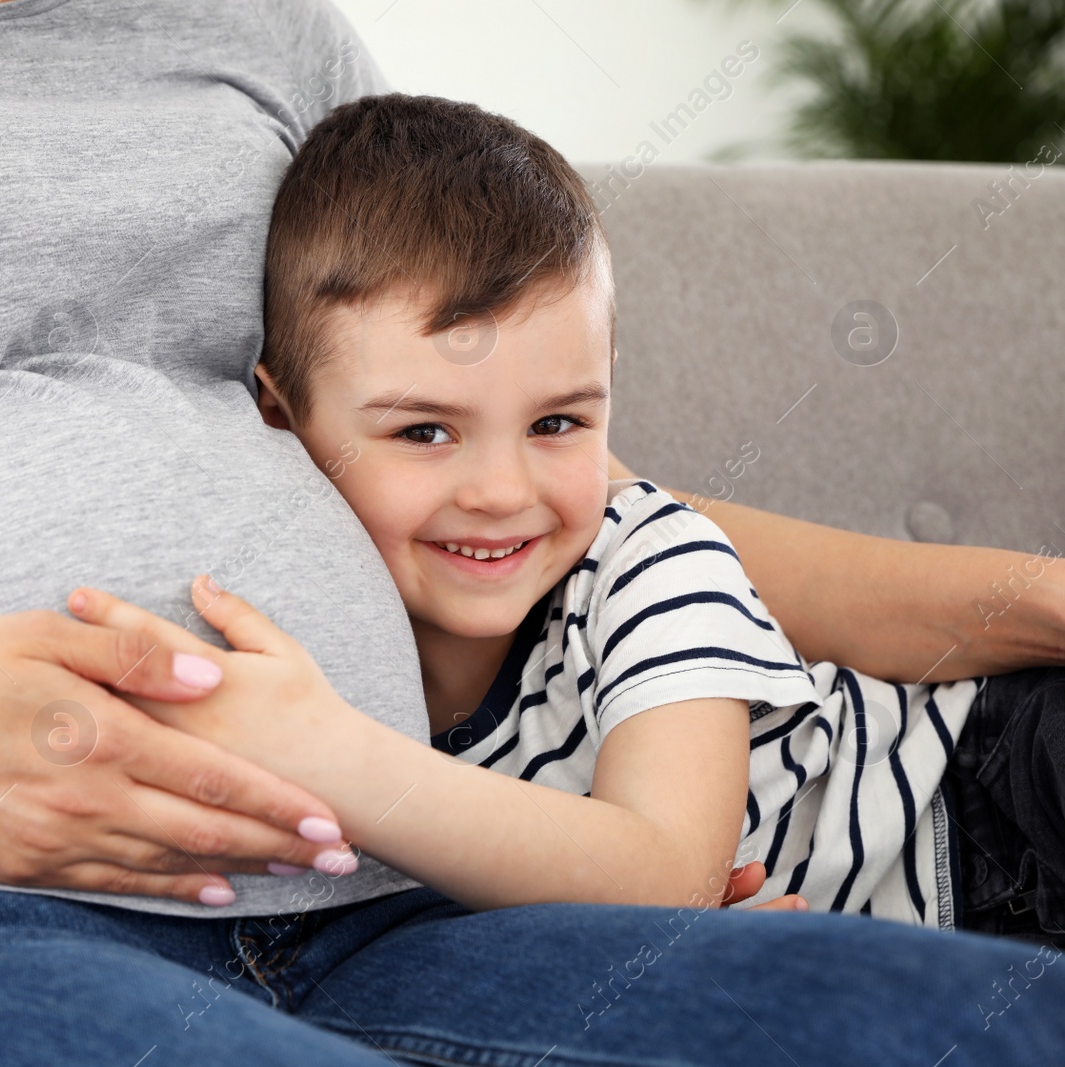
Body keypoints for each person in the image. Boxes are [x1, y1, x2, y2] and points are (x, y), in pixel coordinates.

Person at [0, 0, 1062, 1063]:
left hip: (394, 915)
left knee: (996, 1019)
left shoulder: (265, 33)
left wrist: (1031, 597)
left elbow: (543, 475)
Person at [69, 93, 1065, 946]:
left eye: (556, 422)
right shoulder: (314, 636)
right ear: (279, 416)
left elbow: (666, 873)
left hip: (995, 795)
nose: (503, 490)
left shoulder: (647, 563)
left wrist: (327, 749)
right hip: (939, 934)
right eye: (424, 430)